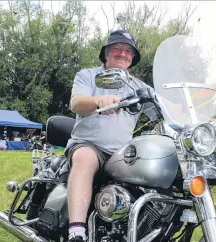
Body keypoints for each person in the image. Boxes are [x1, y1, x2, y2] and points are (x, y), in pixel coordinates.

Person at [65, 29, 158, 242]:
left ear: (133, 58)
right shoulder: (88, 75)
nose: (122, 53)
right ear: (106, 53)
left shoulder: (139, 87)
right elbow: (76, 103)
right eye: (116, 48)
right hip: (89, 144)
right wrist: (98, 101)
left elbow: (162, 112)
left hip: (122, 153)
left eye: (128, 50)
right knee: (85, 158)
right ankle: (77, 231)